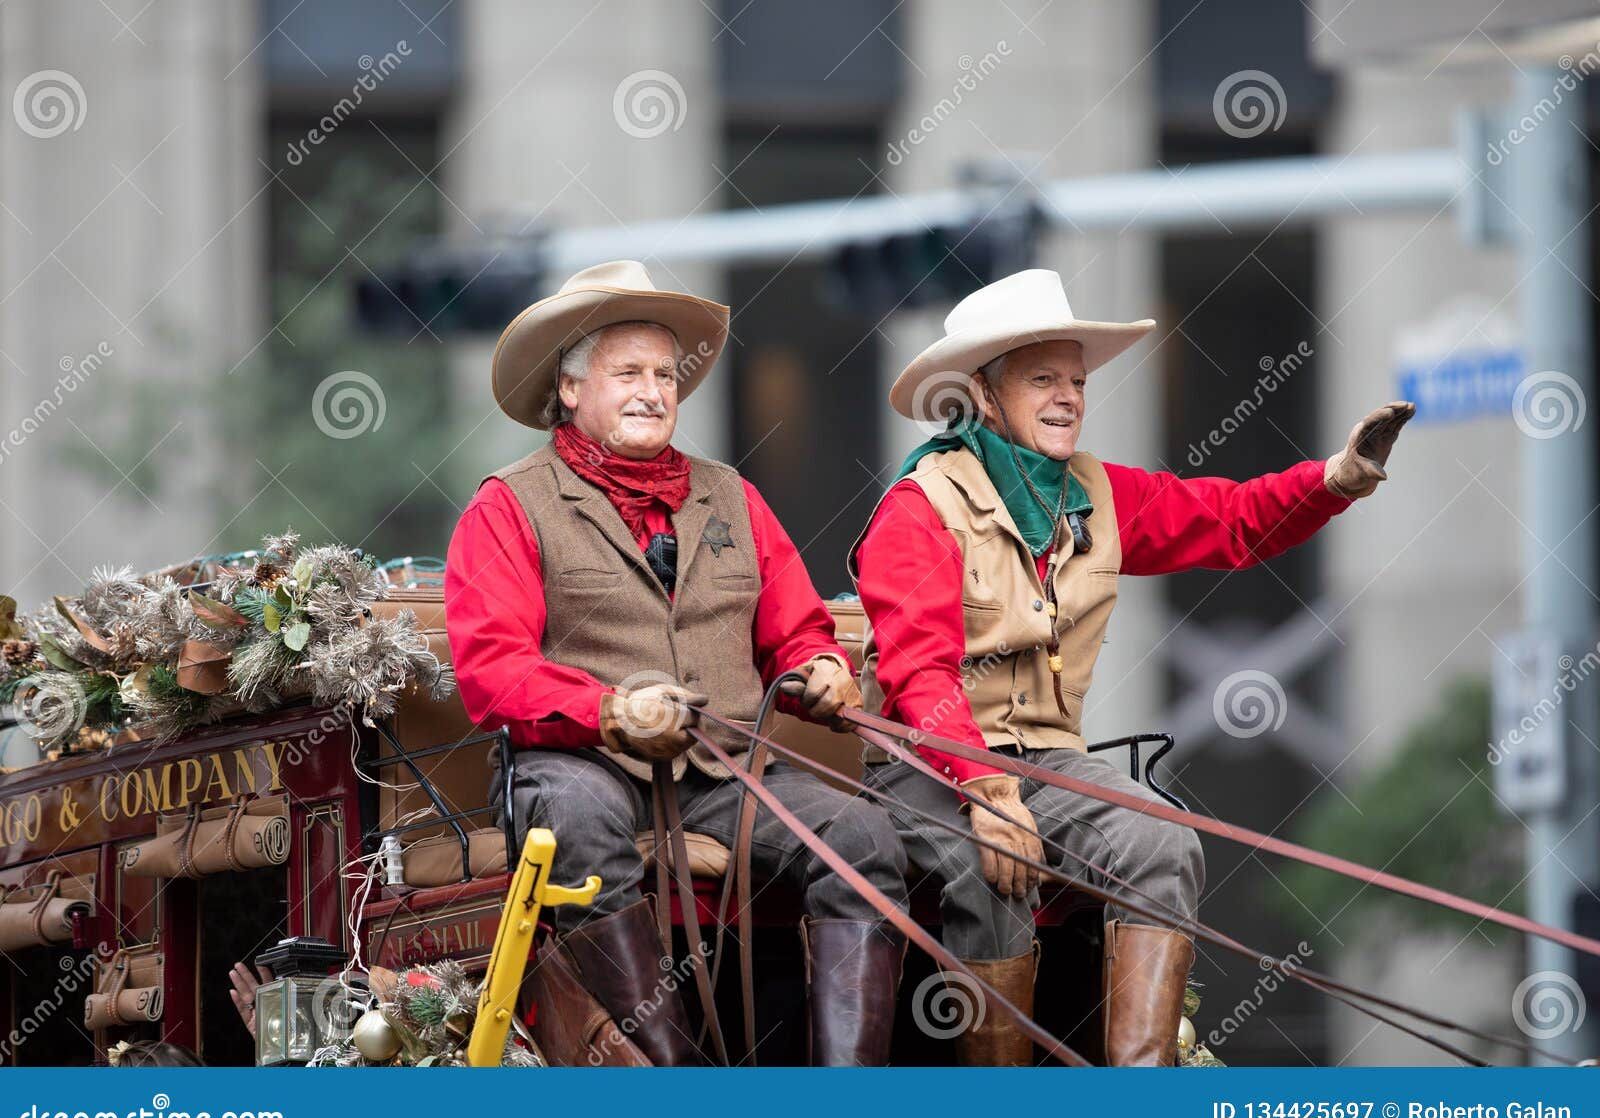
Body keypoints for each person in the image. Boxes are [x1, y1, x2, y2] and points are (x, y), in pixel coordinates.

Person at [851, 268, 1412, 1065]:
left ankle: (1140, 1103)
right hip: (927, 768)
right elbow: (919, 675)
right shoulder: (918, 507)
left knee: (1165, 840)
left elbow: (1231, 522)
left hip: (1049, 762)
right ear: (981, 393)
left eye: (1076, 380)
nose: (1067, 397)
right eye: (1042, 378)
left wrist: (1335, 480)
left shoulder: (1098, 492)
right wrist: (986, 791)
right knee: (994, 870)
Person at [445, 261, 908, 1066]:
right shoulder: (507, 505)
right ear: (569, 390)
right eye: (628, 372)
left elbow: (795, 630)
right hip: (573, 765)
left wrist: (823, 665)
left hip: (724, 774)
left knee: (864, 835)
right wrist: (611, 711)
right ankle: (679, 1083)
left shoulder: (732, 496)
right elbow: (492, 668)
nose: (653, 391)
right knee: (583, 823)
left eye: (666, 374)